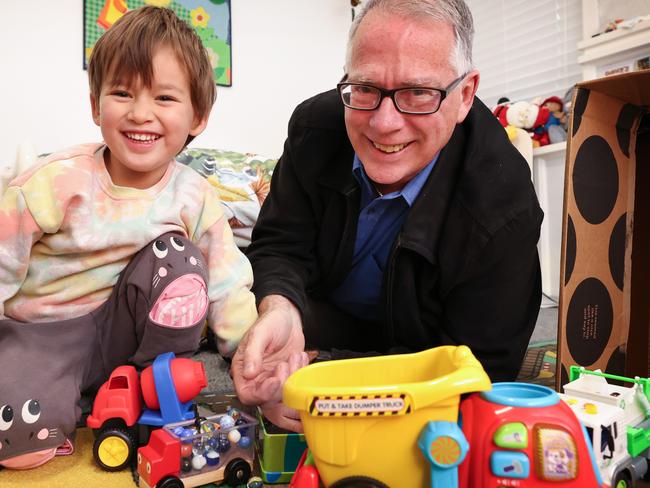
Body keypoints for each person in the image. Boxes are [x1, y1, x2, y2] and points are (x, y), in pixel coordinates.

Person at [233, 0, 543, 431]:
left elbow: (481, 371)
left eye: (418, 93)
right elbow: (279, 243)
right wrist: (280, 307)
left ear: (464, 95)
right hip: (324, 319)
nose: (383, 123)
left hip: (427, 350)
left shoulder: (504, 204)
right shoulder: (314, 128)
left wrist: (346, 397)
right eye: (365, 88)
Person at [0, 6, 257, 357]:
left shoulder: (195, 196)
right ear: (96, 106)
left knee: (180, 257)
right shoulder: (53, 181)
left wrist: (248, 354)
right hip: (46, 338)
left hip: (135, 342)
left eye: (164, 98)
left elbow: (228, 283)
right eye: (122, 94)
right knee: (26, 410)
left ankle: (155, 370)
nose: (140, 114)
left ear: (197, 116)